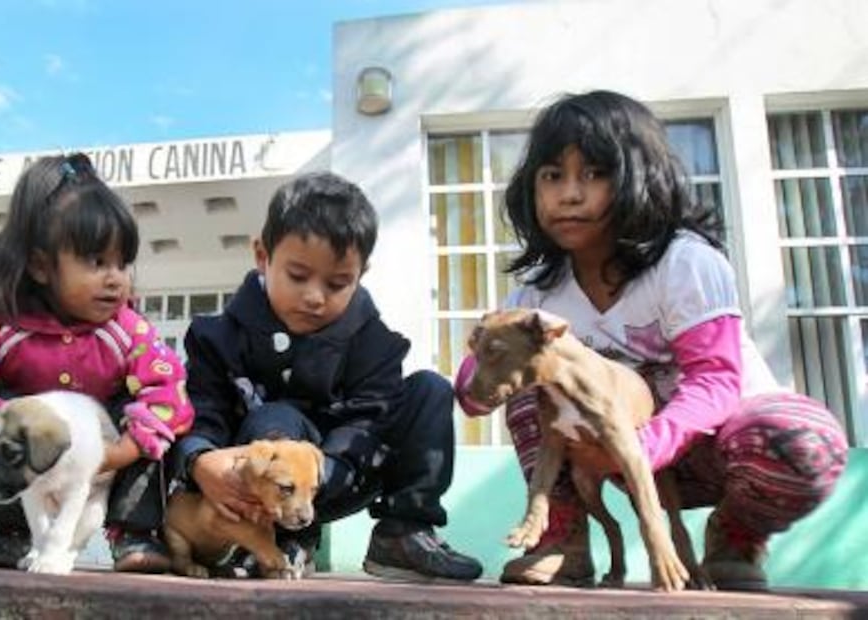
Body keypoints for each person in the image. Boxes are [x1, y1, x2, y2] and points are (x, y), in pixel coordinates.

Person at [454, 90, 849, 591]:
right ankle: (562, 538)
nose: (569, 194)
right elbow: (483, 382)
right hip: (612, 452)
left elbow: (716, 380)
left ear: (639, 178)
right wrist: (477, 373)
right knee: (536, 383)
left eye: (594, 174)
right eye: (552, 176)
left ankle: (735, 535)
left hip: (719, 451)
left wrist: (640, 446)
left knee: (802, 435)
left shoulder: (685, 264)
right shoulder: (538, 293)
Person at [174, 171, 483, 582]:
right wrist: (199, 460)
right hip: (253, 487)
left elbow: (366, 424)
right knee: (276, 418)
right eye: (298, 276)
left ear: (360, 274)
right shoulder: (216, 337)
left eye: (337, 283)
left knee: (430, 389)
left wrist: (320, 475)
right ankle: (277, 542)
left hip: (343, 475)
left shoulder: (376, 344)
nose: (315, 297)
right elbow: (203, 409)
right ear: (262, 256)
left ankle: (403, 533)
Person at [0, 153, 194, 573]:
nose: (116, 278)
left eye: (123, 263)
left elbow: (168, 394)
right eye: (96, 262)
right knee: (10, 412)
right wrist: (9, 427)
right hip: (30, 459)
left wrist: (121, 450)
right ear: (41, 266)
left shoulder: (130, 330)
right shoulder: (1, 323)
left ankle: (134, 529)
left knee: (144, 418)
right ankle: (8, 531)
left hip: (107, 451)